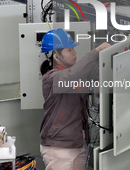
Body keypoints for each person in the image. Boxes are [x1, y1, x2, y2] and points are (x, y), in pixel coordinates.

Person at [39, 28, 110, 170]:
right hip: (59, 147)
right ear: (56, 56)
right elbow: (74, 74)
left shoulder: (73, 75)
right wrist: (96, 52)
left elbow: (85, 77)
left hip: (79, 143)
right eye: (69, 50)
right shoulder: (52, 78)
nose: (74, 53)